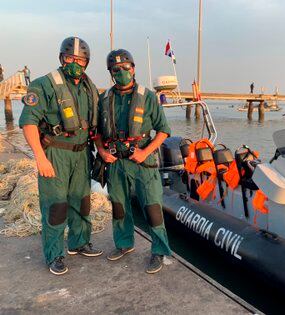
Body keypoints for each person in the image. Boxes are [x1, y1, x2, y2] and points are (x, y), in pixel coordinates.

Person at [19, 37, 102, 276]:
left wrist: (102, 152)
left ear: (87, 62)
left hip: (82, 153)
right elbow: (29, 124)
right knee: (56, 206)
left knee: (81, 201)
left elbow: (93, 125)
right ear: (61, 58)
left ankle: (79, 242)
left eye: (80, 59)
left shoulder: (89, 87)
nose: (75, 63)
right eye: (70, 58)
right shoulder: (43, 85)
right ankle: (54, 254)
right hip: (55, 153)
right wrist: (40, 158)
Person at [95, 49, 172, 274]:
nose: (121, 73)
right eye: (116, 70)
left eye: (125, 68)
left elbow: (163, 131)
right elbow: (97, 131)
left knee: (153, 208)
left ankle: (159, 250)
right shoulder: (104, 98)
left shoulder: (147, 97)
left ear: (134, 68)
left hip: (142, 162)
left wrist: (145, 151)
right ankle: (124, 244)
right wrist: (101, 151)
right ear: (110, 73)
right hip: (115, 162)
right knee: (119, 207)